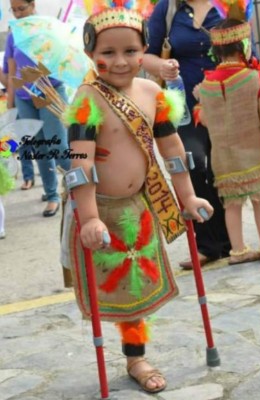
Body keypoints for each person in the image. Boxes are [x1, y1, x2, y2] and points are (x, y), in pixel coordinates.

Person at [62, 1, 213, 393]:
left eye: (131, 51)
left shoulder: (152, 92)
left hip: (139, 208)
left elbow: (173, 151)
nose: (121, 61)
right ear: (90, 55)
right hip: (102, 212)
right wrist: (90, 217)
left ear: (144, 48)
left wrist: (189, 198)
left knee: (138, 289)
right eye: (107, 53)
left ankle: (136, 356)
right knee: (117, 289)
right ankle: (135, 358)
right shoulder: (86, 101)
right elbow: (81, 166)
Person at [142, 0, 232, 268]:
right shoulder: (167, 9)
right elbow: (146, 54)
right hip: (184, 108)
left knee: (224, 169)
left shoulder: (227, 6)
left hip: (226, 103)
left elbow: (244, 49)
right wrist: (162, 67)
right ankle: (208, 244)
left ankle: (232, 243)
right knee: (194, 162)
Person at [196, 15, 260, 264]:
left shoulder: (205, 84)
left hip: (223, 157)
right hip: (254, 153)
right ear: (243, 47)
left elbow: (205, 119)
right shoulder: (255, 78)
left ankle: (237, 250)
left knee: (231, 205)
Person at [4, 0, 71, 216]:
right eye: (13, 10)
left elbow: (61, 61)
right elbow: (12, 71)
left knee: (58, 147)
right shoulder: (14, 33)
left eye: (21, 8)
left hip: (50, 92)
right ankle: (52, 195)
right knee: (40, 148)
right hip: (25, 97)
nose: (17, 14)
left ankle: (81, 187)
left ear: (33, 5)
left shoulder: (48, 27)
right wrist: (11, 104)